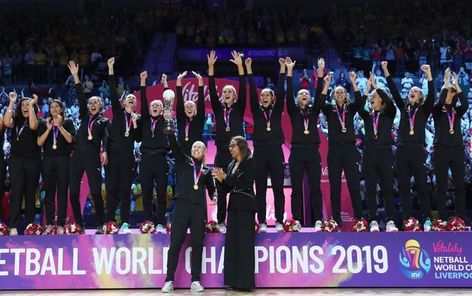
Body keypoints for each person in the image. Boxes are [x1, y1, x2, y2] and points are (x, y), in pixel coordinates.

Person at [161, 133, 217, 293]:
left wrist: (214, 195)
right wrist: (170, 132)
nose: (196, 149)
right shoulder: (183, 160)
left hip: (199, 209)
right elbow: (175, 146)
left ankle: (195, 280)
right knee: (175, 243)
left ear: (204, 151)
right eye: (194, 147)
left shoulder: (206, 171)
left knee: (197, 245)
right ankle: (169, 280)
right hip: (182, 207)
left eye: (199, 147)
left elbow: (212, 189)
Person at [383, 61, 434, 230]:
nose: (411, 92)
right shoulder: (403, 109)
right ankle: (407, 219)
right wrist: (385, 70)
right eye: (411, 91)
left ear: (420, 97)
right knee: (404, 187)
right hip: (402, 150)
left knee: (421, 186)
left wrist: (429, 75)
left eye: (415, 91)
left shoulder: (424, 110)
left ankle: (427, 219)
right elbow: (394, 92)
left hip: (418, 150)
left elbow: (432, 95)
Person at [319, 68, 365, 229]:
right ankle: (336, 220)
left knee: (354, 184)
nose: (339, 94)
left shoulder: (350, 109)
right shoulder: (329, 110)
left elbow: (360, 101)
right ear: (333, 95)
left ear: (346, 95)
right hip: (335, 150)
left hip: (350, 149)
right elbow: (319, 102)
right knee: (335, 186)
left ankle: (359, 218)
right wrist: (326, 85)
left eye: (342, 92)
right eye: (337, 92)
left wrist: (353, 82)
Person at [68, 60, 109, 234]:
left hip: (93, 156)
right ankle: (79, 223)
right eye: (90, 102)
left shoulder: (104, 121)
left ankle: (100, 223)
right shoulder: (84, 117)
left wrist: (105, 150)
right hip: (77, 156)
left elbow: (106, 138)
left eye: (95, 102)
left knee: (95, 191)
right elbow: (80, 95)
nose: (92, 104)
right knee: (73, 192)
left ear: (100, 105)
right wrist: (76, 76)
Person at [207, 50, 246, 233]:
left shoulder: (239, 108)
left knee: (239, 189)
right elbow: (212, 89)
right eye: (225, 92)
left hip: (238, 155)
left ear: (235, 96)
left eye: (230, 91)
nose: (227, 93)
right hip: (221, 152)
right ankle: (221, 222)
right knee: (221, 190)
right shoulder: (218, 108)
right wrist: (211, 67)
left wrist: (240, 67)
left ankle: (239, 221)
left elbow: (244, 88)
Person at [247, 57, 286, 232]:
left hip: (276, 151)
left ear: (272, 98)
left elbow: (281, 91)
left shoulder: (277, 111)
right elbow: (251, 94)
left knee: (278, 188)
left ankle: (279, 221)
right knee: (260, 189)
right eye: (262, 95)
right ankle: (261, 221)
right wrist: (249, 69)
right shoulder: (256, 112)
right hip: (260, 152)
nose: (263, 97)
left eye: (267, 95)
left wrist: (283, 69)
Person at [212, 136, 255, 291]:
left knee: (244, 245)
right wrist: (219, 180)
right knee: (233, 244)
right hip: (234, 207)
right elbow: (227, 189)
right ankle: (233, 281)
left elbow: (245, 183)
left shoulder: (250, 162)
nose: (230, 149)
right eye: (229, 146)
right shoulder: (231, 164)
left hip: (246, 206)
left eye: (233, 146)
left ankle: (245, 283)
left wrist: (226, 178)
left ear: (241, 147)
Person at [286, 57, 323, 231]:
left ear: (310, 98)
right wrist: (289, 72)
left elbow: (321, 98)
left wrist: (320, 75)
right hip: (297, 152)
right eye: (300, 94)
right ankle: (297, 219)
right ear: (297, 98)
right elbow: (287, 96)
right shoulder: (293, 112)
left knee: (315, 187)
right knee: (296, 188)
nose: (303, 96)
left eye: (306, 94)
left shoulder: (314, 112)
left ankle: (319, 220)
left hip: (312, 152)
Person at [358, 73, 398, 232]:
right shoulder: (368, 117)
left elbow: (390, 102)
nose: (371, 99)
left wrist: (377, 87)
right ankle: (373, 220)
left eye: (374, 97)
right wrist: (368, 89)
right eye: (371, 97)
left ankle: (390, 221)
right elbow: (359, 106)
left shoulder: (390, 113)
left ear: (381, 99)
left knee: (388, 187)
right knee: (370, 188)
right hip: (369, 154)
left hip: (385, 153)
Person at [105, 57, 138, 234]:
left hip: (127, 156)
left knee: (125, 190)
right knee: (111, 189)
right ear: (124, 102)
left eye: (134, 99)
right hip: (113, 154)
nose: (131, 100)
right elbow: (111, 91)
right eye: (129, 99)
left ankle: (125, 222)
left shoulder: (136, 119)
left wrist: (135, 123)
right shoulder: (117, 112)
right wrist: (111, 69)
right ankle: (109, 221)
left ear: (136, 104)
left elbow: (139, 138)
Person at [432, 68, 468, 224]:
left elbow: (465, 103)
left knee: (460, 185)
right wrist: (446, 82)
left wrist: (456, 85)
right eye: (449, 92)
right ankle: (443, 218)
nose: (451, 94)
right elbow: (440, 101)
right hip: (441, 150)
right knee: (441, 185)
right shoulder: (437, 110)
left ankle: (460, 217)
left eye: (452, 93)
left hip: (458, 150)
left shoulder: (457, 111)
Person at [4, 92, 40, 235]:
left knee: (30, 194)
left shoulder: (37, 121)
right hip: (16, 161)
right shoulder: (16, 120)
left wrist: (31, 106)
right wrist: (12, 102)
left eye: (28, 105)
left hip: (33, 161)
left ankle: (30, 226)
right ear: (20, 108)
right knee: (17, 192)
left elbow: (32, 126)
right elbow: (6, 123)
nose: (25, 107)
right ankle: (13, 226)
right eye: (23, 105)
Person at [37, 99, 75, 234]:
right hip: (47, 160)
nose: (53, 109)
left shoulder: (68, 122)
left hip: (63, 160)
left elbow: (70, 139)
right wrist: (48, 129)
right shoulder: (43, 122)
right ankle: (49, 223)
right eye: (51, 107)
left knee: (62, 192)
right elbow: (39, 142)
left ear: (61, 109)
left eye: (56, 107)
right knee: (48, 193)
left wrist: (59, 126)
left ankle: (60, 224)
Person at [138, 71, 169, 233]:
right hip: (145, 160)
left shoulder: (165, 120)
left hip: (160, 159)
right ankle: (148, 221)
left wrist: (165, 84)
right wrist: (143, 81)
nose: (155, 107)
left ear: (163, 110)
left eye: (158, 106)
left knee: (162, 193)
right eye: (153, 106)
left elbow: (169, 101)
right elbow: (143, 101)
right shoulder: (144, 121)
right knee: (147, 194)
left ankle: (161, 223)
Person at [175, 71, 205, 155]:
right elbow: (180, 100)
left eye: (191, 106)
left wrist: (200, 81)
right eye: (187, 107)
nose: (189, 108)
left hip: (197, 153)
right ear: (183, 110)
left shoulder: (199, 119)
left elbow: (201, 101)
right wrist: (179, 80)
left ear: (195, 109)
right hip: (182, 153)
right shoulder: (181, 119)